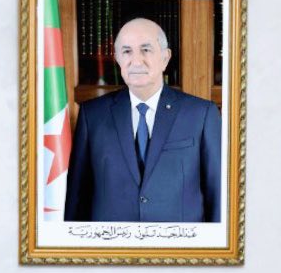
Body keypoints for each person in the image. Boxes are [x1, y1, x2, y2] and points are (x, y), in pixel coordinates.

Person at [63, 15, 223, 224]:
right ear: (118, 59)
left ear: (165, 58)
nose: (136, 61)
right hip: (111, 243)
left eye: (146, 50)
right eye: (127, 51)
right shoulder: (92, 116)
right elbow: (77, 200)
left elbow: (218, 196)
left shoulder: (201, 114)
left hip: (178, 243)